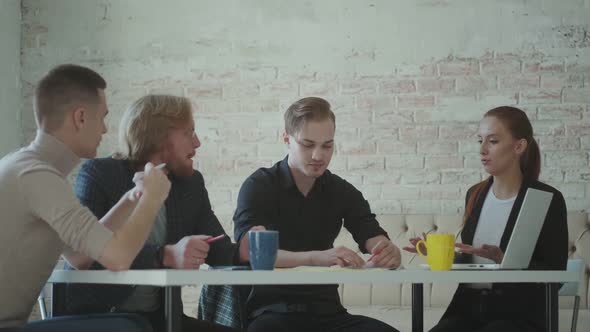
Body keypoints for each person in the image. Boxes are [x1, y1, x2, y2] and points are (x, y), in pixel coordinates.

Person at [60, 95, 255, 332]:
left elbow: (215, 247)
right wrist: (165, 255)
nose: (197, 143)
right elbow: (91, 255)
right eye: (189, 132)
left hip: (162, 320)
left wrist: (242, 252)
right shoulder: (98, 174)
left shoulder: (190, 183)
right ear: (159, 136)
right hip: (99, 319)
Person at [0, 64, 171, 331]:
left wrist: (132, 198)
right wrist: (152, 198)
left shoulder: (27, 167)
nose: (104, 129)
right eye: (102, 117)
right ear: (80, 117)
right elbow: (118, 259)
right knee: (129, 327)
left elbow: (79, 257)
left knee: (130, 324)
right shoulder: (37, 176)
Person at [233, 97, 402, 332]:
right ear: (286, 140)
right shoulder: (259, 185)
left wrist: (387, 250)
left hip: (329, 313)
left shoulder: (341, 190)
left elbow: (370, 233)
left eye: (327, 145)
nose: (318, 155)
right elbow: (250, 251)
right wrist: (317, 257)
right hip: (273, 313)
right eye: (308, 144)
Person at [404, 106, 568, 332]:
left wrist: (506, 261)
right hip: (468, 309)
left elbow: (556, 275)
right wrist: (440, 255)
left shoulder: (547, 199)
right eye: (479, 140)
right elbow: (473, 262)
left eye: (493, 141)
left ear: (519, 146)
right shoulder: (475, 194)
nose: (482, 150)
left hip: (518, 314)